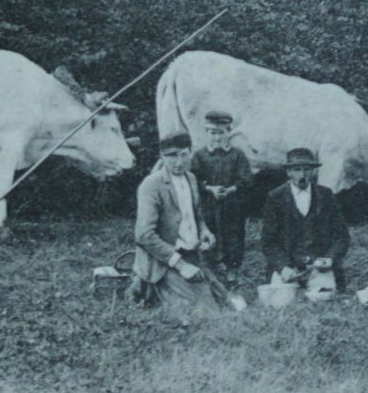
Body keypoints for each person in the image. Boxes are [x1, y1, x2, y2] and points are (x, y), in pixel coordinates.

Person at [132, 131, 222, 315]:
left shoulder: (191, 178)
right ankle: (144, 286)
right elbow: (143, 235)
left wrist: (204, 230)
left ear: (191, 152)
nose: (179, 162)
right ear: (162, 156)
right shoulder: (151, 185)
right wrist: (181, 265)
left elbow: (196, 214)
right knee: (204, 313)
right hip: (164, 261)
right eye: (172, 156)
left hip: (191, 254)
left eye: (184, 154)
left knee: (227, 300)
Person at [260, 147, 351, 295]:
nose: (302, 175)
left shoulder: (326, 195)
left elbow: (342, 236)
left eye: (307, 169)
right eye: (296, 170)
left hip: (319, 268)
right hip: (289, 269)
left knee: (322, 298)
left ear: (313, 171)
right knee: (281, 302)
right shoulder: (275, 197)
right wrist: (283, 266)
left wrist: (329, 259)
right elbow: (268, 241)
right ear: (288, 172)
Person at [191, 110, 252, 285]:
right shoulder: (200, 155)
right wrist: (209, 188)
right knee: (210, 233)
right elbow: (193, 179)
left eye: (221, 133)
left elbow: (246, 179)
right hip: (209, 205)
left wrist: (232, 189)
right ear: (206, 133)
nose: (217, 138)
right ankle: (212, 269)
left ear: (228, 133)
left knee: (234, 235)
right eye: (213, 133)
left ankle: (233, 269)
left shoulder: (237, 155)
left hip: (232, 206)